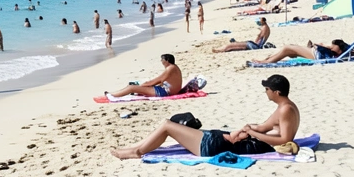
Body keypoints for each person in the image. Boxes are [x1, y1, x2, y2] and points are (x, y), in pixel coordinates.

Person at [112, 74, 299, 159]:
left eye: (267, 89)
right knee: (170, 126)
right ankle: (135, 148)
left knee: (167, 125)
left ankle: (137, 152)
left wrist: (253, 134)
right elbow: (266, 127)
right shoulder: (284, 107)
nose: (265, 92)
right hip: (228, 140)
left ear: (277, 91)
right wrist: (250, 128)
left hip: (215, 147)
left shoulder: (286, 110)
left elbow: (284, 139)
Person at [105, 54, 182, 99]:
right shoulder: (174, 67)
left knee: (131, 87)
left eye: (162, 60)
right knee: (137, 86)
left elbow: (158, 80)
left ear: (167, 60)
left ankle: (112, 95)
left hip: (165, 92)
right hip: (169, 90)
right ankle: (115, 93)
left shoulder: (170, 68)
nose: (161, 61)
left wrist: (144, 85)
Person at [252, 39, 348, 65]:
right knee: (289, 51)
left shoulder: (338, 47)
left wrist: (322, 46)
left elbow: (334, 53)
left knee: (287, 48)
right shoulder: (339, 47)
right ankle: (268, 59)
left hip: (317, 55)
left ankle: (267, 61)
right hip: (316, 53)